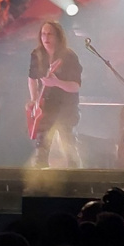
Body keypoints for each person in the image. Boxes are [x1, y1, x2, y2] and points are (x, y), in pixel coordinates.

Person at [28, 20, 81, 168]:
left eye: (50, 34)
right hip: (46, 107)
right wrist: (34, 100)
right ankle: (39, 178)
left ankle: (76, 177)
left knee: (69, 147)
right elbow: (31, 78)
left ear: (58, 36)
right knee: (41, 149)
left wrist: (56, 83)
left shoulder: (69, 57)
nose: (46, 37)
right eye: (43, 34)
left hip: (66, 107)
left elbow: (75, 86)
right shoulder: (37, 55)